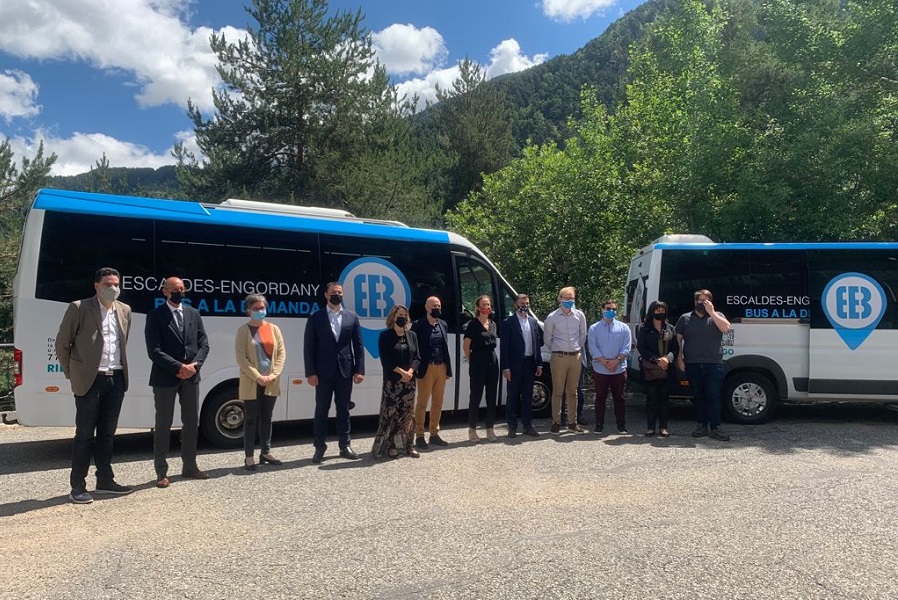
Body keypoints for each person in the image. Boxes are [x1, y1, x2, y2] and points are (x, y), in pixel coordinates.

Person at [56, 267, 134, 504]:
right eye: (108, 284)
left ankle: (105, 480)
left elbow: (122, 342)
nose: (113, 288)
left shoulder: (125, 310)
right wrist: (73, 374)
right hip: (90, 380)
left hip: (116, 378)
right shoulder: (79, 308)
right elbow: (62, 344)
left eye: (116, 284)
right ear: (96, 286)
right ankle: (78, 485)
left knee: (108, 434)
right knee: (84, 435)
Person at [145, 276, 211, 487]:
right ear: (165, 291)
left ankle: (190, 466)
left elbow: (204, 344)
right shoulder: (155, 316)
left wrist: (193, 366)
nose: (180, 292)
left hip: (191, 376)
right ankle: (161, 472)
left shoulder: (193, 313)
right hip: (165, 377)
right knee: (163, 424)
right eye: (175, 289)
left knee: (191, 422)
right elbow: (154, 351)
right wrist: (179, 367)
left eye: (182, 288)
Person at [304, 282, 365, 463]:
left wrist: (359, 369)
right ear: (326, 295)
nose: (337, 295)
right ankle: (319, 447)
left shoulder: (351, 317)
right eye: (333, 293)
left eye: (339, 293)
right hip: (322, 373)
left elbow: (358, 345)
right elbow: (309, 347)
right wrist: (310, 372)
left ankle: (344, 446)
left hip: (345, 372)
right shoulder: (316, 317)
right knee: (321, 410)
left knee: (343, 410)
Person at [235, 294, 286, 470]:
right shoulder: (243, 331)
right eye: (255, 308)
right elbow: (241, 357)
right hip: (252, 381)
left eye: (262, 308)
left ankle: (266, 452)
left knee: (267, 418)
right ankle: (249, 456)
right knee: (250, 419)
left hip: (270, 381)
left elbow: (281, 354)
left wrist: (272, 375)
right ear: (248, 310)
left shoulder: (274, 329)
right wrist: (257, 376)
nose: (259, 311)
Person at [675, 289, 732, 441]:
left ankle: (715, 427)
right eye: (699, 301)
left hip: (713, 364)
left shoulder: (717, 316)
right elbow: (678, 339)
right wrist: (679, 358)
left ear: (710, 302)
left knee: (713, 395)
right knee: (698, 396)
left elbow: (726, 328)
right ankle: (701, 425)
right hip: (692, 363)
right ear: (695, 302)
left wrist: (711, 312)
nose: (702, 303)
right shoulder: (685, 318)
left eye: (705, 301)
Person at [372, 305, 421, 460]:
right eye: (400, 315)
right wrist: (402, 373)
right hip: (393, 383)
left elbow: (417, 358)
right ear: (393, 317)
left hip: (409, 383)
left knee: (407, 416)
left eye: (405, 315)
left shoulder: (412, 335)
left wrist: (410, 372)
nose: (403, 318)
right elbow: (386, 360)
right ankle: (391, 446)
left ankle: (408, 446)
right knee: (391, 415)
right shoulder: (385, 336)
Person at [543, 286, 588, 433]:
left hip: (575, 356)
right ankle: (556, 421)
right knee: (557, 391)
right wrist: (558, 350)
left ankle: (572, 422)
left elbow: (583, 335)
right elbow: (547, 338)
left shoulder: (580, 315)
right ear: (560, 299)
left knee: (573, 391)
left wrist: (576, 349)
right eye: (566, 298)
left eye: (572, 298)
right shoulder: (552, 317)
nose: (569, 301)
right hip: (559, 356)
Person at [411, 296, 452, 449]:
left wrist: (448, 369)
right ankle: (419, 436)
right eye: (434, 306)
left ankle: (434, 434)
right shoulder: (418, 325)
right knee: (422, 403)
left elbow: (445, 348)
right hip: (425, 368)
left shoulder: (443, 324)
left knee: (438, 402)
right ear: (427, 308)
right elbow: (413, 349)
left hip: (440, 367)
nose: (437, 308)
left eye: (439, 305)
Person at [500, 294, 542, 439]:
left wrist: (539, 364)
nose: (525, 305)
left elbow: (537, 344)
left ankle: (527, 425)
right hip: (514, 365)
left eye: (527, 303)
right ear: (515, 305)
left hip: (530, 363)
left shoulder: (533, 322)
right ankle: (512, 427)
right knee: (512, 396)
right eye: (522, 303)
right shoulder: (508, 322)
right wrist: (505, 368)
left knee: (527, 396)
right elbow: (504, 348)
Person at [588, 298, 632, 434]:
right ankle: (599, 425)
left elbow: (627, 347)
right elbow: (592, 347)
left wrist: (616, 361)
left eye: (613, 309)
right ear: (602, 310)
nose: (611, 311)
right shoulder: (594, 328)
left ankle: (621, 425)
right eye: (608, 309)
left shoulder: (624, 328)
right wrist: (605, 362)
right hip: (600, 369)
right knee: (600, 397)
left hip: (618, 368)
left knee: (619, 398)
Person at [636, 301, 678, 437]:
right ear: (652, 312)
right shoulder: (644, 328)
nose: (660, 313)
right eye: (657, 310)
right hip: (651, 369)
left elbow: (675, 348)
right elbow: (641, 348)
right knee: (652, 398)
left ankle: (663, 427)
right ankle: (651, 427)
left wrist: (667, 359)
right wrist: (656, 360)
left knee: (664, 399)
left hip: (667, 368)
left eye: (663, 310)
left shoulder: (670, 328)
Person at [463, 294, 499, 442]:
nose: (487, 307)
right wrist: (472, 362)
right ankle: (472, 429)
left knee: (491, 397)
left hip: (492, 362)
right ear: (477, 307)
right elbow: (466, 346)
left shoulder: (493, 324)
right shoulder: (472, 324)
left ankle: (489, 429)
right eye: (484, 305)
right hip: (478, 363)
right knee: (476, 397)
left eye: (489, 305)